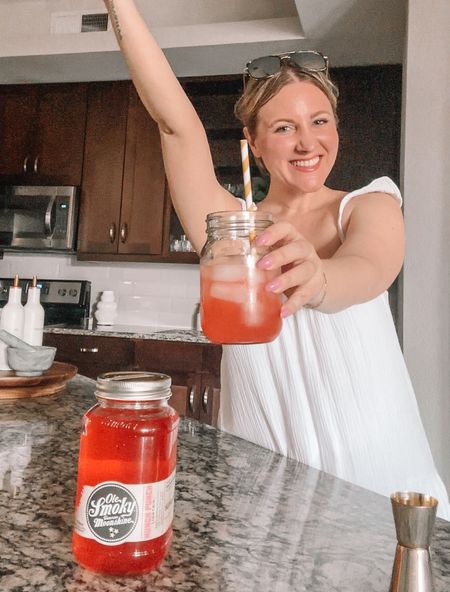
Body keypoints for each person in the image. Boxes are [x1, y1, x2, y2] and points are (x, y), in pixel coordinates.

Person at [103, 0, 450, 519]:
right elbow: (174, 125)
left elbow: (369, 269)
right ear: (254, 142)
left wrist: (320, 278)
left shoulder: (370, 204)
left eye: (319, 120)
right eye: (284, 127)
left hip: (376, 481)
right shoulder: (231, 229)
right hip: (262, 489)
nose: (307, 140)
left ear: (336, 129)